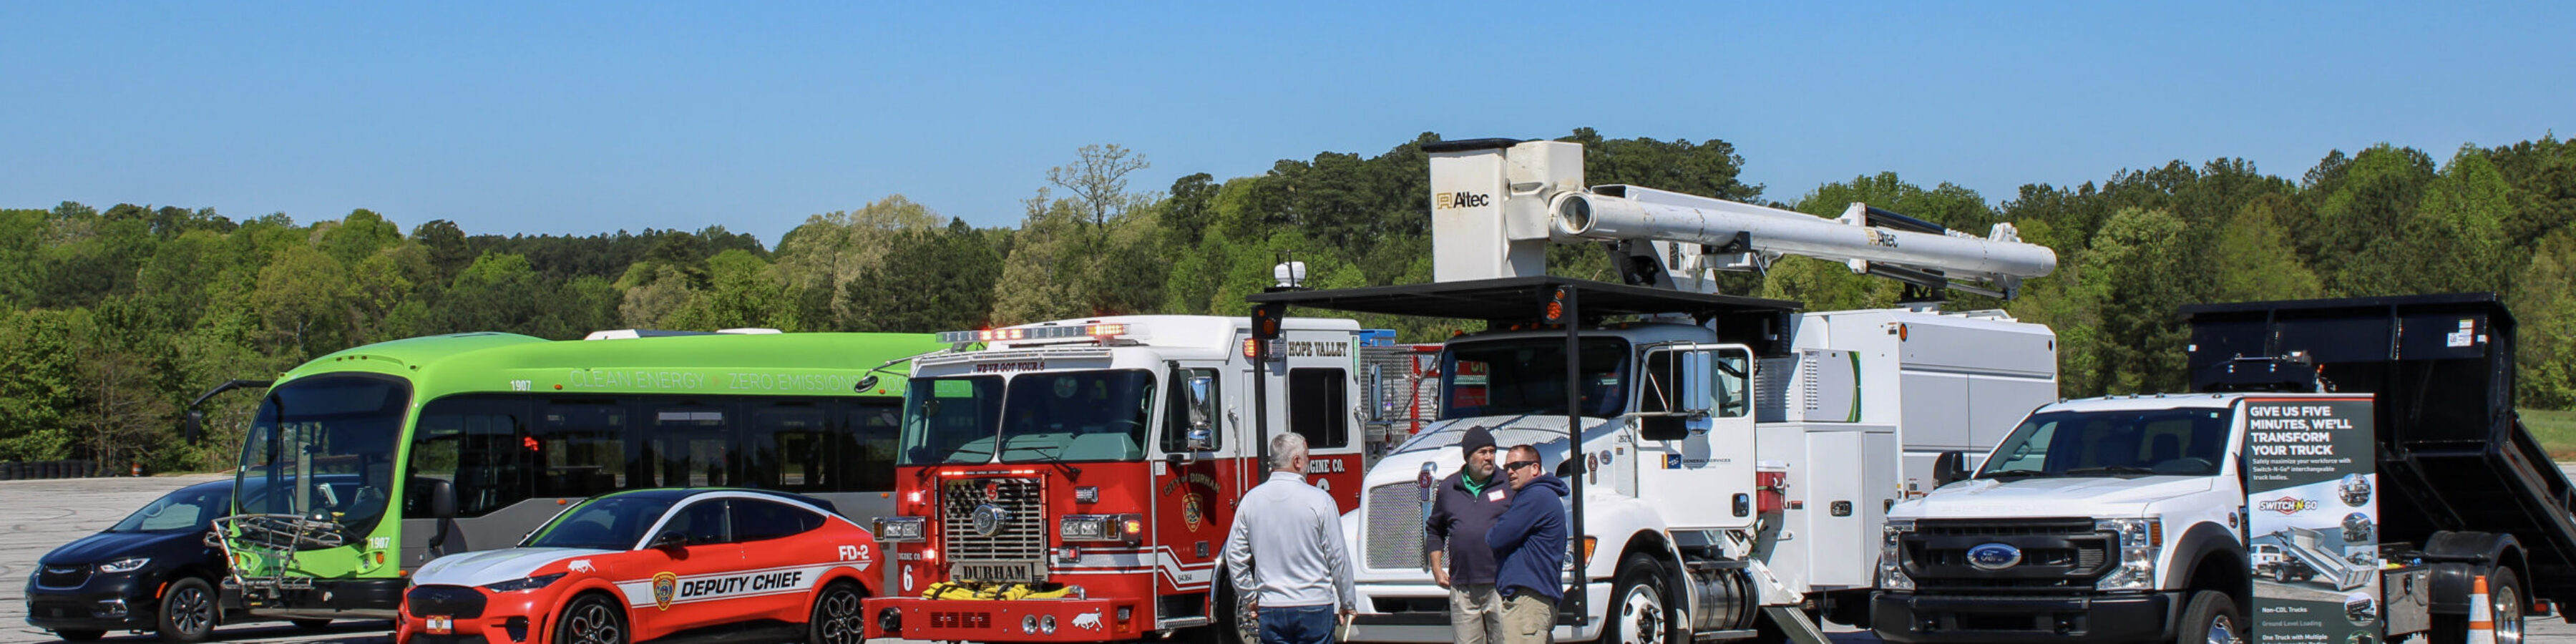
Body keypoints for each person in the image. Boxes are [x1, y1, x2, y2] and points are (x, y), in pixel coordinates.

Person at [1224, 432, 1357, 644]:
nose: (1308, 462)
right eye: (1306, 456)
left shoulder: (1250, 501)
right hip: (1314, 604)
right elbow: (1338, 558)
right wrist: (1347, 601)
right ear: (1296, 461)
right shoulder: (1320, 501)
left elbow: (1233, 556)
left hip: (1272, 605)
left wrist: (1250, 596)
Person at [1423, 427, 1510, 644]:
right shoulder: (1448, 487)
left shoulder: (1509, 485)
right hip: (1463, 587)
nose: (1489, 457)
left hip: (1501, 585)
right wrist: (1436, 568)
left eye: (1492, 451)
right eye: (1483, 452)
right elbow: (1435, 529)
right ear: (1469, 456)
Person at [1485, 444, 1568, 644]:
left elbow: (1495, 538)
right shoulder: (1539, 496)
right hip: (1534, 604)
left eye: (1517, 465)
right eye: (1507, 468)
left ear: (1535, 468)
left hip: (1528, 603)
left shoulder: (1535, 496)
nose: (1510, 472)